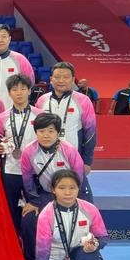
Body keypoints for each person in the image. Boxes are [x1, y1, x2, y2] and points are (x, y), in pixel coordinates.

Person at [19, 113, 85, 260]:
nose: (46, 135)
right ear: (36, 132)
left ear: (57, 132)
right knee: (28, 219)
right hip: (46, 194)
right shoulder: (29, 152)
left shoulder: (69, 150)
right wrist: (33, 201)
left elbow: (79, 177)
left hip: (72, 193)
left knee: (83, 221)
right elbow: (27, 179)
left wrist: (70, 198)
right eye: (41, 131)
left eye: (50, 131)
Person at [35, 169, 108, 260]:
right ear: (53, 190)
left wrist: (95, 245)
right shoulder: (46, 215)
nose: (67, 193)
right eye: (62, 188)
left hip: (78, 255)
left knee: (92, 257)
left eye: (72, 188)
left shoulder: (89, 209)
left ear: (78, 189)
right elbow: (41, 253)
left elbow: (103, 237)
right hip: (54, 259)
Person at [36, 62, 96, 202]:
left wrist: (87, 161)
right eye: (57, 77)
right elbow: (37, 130)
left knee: (82, 201)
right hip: (47, 159)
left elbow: (90, 133)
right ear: (51, 79)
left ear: (73, 79)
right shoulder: (42, 100)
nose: (61, 80)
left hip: (73, 161)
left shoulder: (83, 100)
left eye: (66, 77)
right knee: (50, 198)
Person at [0, 74, 44, 233]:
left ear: (29, 91)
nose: (19, 93)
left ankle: (32, 239)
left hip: (34, 170)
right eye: (15, 89)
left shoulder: (40, 115)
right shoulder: (3, 117)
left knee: (34, 209)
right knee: (11, 209)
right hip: (10, 170)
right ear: (9, 93)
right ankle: (15, 240)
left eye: (23, 89)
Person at [0, 24, 35, 109]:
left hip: (14, 109)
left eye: (4, 36)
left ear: (9, 39)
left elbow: (30, 83)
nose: (0, 40)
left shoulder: (20, 60)